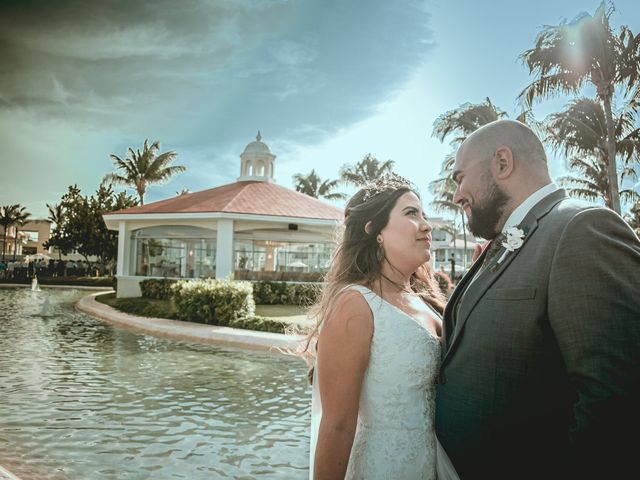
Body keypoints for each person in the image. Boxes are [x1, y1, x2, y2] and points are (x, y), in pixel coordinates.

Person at [435, 119, 640, 479]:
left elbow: (615, 404)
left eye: (459, 177)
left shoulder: (582, 228)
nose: (455, 195)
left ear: (502, 163)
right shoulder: (504, 242)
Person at [306, 173, 458, 479]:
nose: (426, 225)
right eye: (411, 213)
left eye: (424, 214)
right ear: (375, 230)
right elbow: (337, 425)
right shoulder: (355, 304)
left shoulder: (427, 302)